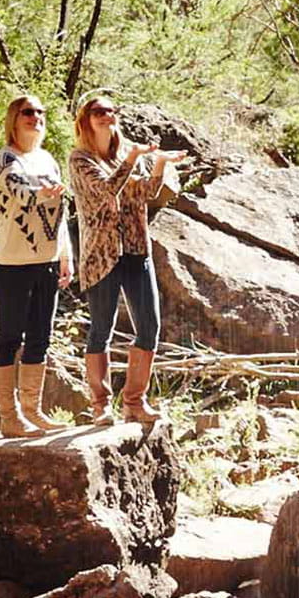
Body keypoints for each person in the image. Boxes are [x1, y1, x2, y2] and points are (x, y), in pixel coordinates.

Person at [68, 96, 187, 424]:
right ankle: (100, 404)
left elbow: (147, 193)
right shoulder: (79, 159)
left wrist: (160, 163)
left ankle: (134, 402)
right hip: (101, 255)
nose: (107, 116)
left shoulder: (125, 153)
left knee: (149, 325)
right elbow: (108, 190)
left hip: (136, 250)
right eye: (98, 112)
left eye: (111, 111)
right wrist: (134, 157)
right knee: (101, 329)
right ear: (86, 120)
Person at [0, 95, 74, 437]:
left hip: (47, 260)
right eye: (27, 112)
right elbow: (20, 192)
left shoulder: (48, 159)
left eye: (40, 112)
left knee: (40, 336)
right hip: (12, 261)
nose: (35, 117)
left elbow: (60, 214)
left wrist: (66, 255)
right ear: (14, 118)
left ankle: (31, 411)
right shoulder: (5, 158)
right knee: (9, 336)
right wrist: (46, 192)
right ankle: (8, 417)